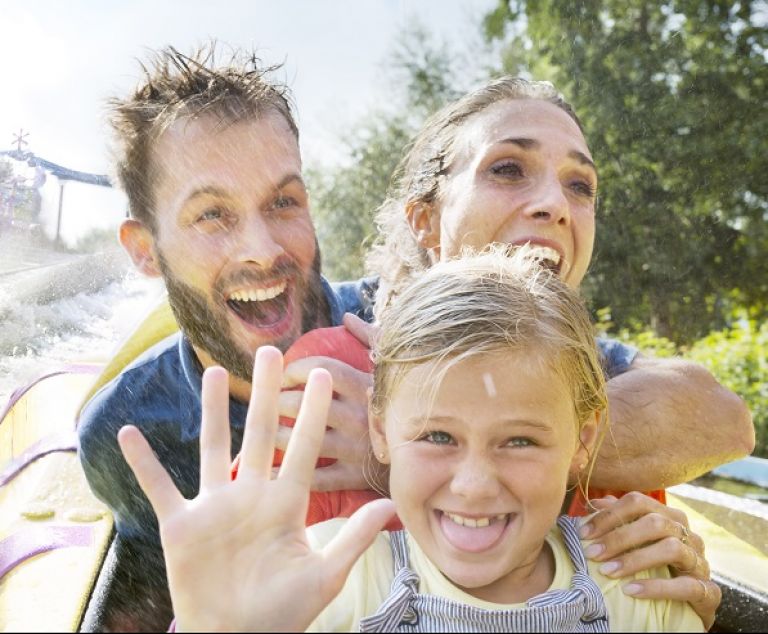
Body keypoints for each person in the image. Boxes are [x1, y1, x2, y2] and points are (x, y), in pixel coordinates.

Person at [77, 46, 741, 629]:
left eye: (284, 202)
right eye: (212, 214)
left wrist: (418, 444)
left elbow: (722, 421)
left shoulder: (543, 360)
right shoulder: (130, 430)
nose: (260, 246)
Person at [119, 247, 706, 632]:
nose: (474, 485)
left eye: (521, 442)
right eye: (438, 436)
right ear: (380, 430)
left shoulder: (639, 593)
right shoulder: (329, 579)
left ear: (584, 441)